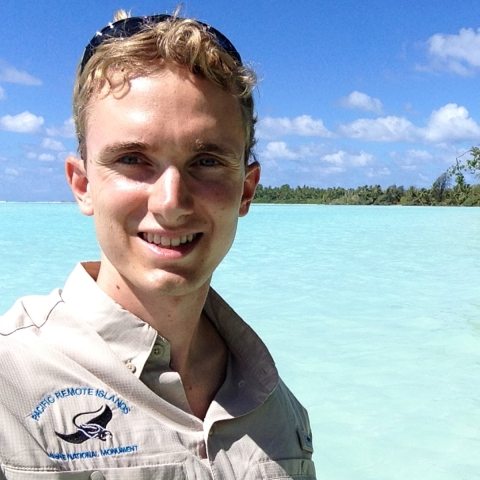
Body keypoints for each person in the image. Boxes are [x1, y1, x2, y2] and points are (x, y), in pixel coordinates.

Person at [0, 10, 316, 479]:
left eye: (206, 160)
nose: (170, 203)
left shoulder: (277, 406)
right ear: (83, 184)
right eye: (133, 159)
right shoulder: (12, 389)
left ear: (246, 190)